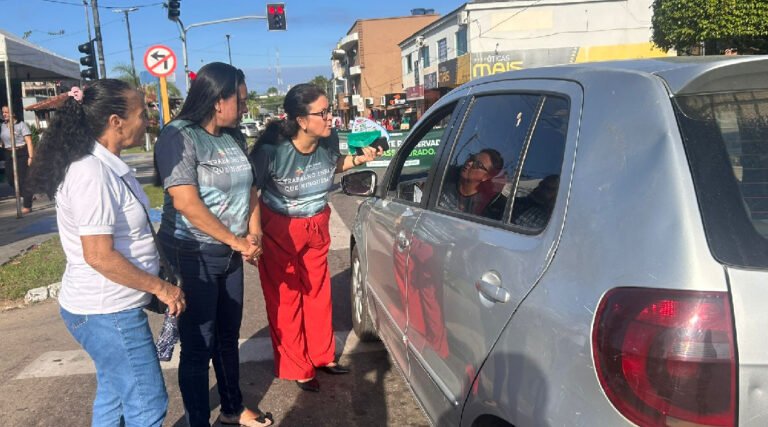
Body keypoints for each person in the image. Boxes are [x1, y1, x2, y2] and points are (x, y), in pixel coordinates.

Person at [26, 79, 186, 426]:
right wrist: (161, 288)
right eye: (142, 113)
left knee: (115, 396)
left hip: (108, 308)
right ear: (116, 121)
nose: (148, 120)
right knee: (147, 403)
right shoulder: (91, 173)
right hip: (107, 311)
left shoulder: (108, 166)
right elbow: (98, 255)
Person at [154, 62, 272, 427]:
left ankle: (234, 409)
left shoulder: (234, 135)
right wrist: (236, 240)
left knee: (226, 335)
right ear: (219, 100)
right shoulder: (179, 136)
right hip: (192, 254)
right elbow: (186, 202)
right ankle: (198, 420)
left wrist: (254, 235)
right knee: (198, 345)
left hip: (232, 252)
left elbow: (251, 188)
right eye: (241, 99)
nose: (245, 106)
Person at [249, 83, 383, 393]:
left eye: (330, 111)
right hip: (279, 226)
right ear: (300, 120)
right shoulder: (272, 150)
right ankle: (297, 365)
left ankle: (322, 356)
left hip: (316, 223)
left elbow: (331, 165)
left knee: (318, 292)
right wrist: (254, 234)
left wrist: (359, 159)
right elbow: (251, 192)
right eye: (323, 113)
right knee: (286, 298)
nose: (330, 118)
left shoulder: (330, 139)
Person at [439, 148, 507, 220]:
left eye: (477, 164)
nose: (469, 163)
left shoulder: (486, 206)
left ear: (486, 177)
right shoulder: (446, 174)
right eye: (471, 158)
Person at [2, 103, 35, 213]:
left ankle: (27, 205)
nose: (4, 114)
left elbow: (29, 142)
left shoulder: (21, 125)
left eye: (6, 112)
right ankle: (27, 195)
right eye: (3, 112)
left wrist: (31, 157)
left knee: (22, 179)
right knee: (10, 179)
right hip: (8, 153)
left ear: (13, 113)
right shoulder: (2, 126)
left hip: (21, 153)